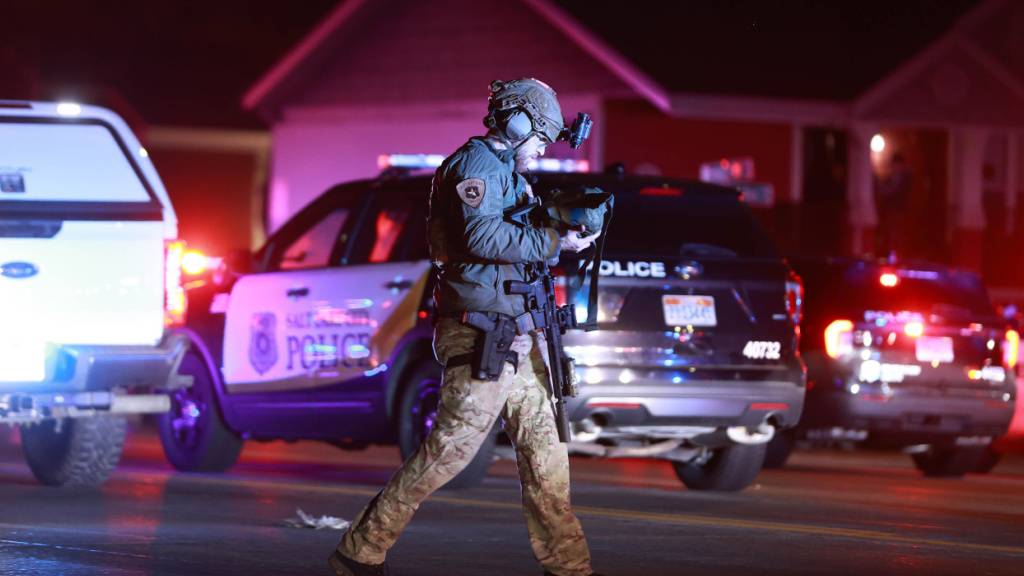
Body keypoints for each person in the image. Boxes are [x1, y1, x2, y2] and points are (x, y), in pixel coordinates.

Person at [329, 78, 601, 576]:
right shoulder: (476, 164)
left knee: (547, 459)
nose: (541, 148)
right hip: (483, 334)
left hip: (522, 332)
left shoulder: (509, 174)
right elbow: (482, 234)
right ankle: (360, 551)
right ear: (517, 120)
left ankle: (570, 569)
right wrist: (552, 241)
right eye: (541, 135)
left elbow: (517, 232)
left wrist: (563, 222)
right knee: (450, 451)